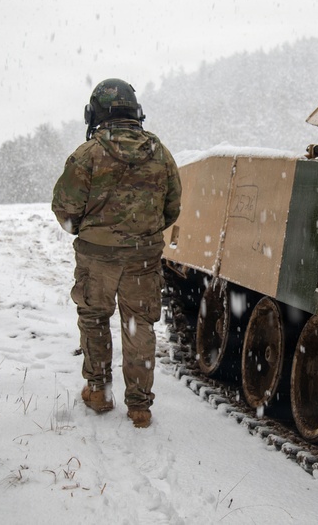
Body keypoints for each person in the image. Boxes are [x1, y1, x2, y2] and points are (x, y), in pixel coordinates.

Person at [52, 78, 181, 428]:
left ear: (96, 113)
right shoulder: (160, 153)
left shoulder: (86, 154)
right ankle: (139, 406)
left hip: (97, 257)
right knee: (139, 327)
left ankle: (98, 391)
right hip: (144, 256)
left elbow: (64, 208)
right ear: (134, 111)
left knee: (94, 318)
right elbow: (172, 208)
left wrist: (90, 231)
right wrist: (143, 233)